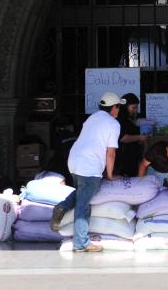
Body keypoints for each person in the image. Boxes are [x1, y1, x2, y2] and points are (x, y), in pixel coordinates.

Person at [50, 92, 124, 253]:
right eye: (119, 106)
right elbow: (111, 152)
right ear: (113, 107)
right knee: (83, 205)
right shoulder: (113, 124)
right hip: (90, 165)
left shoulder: (92, 118)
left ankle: (62, 207)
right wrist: (110, 175)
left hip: (75, 160)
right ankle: (81, 243)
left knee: (82, 192)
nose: (119, 110)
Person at [116, 92, 148, 176]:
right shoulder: (120, 119)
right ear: (125, 106)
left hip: (131, 158)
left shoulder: (127, 118)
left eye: (136, 108)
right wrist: (140, 137)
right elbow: (123, 138)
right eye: (133, 107)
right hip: (124, 159)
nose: (135, 110)